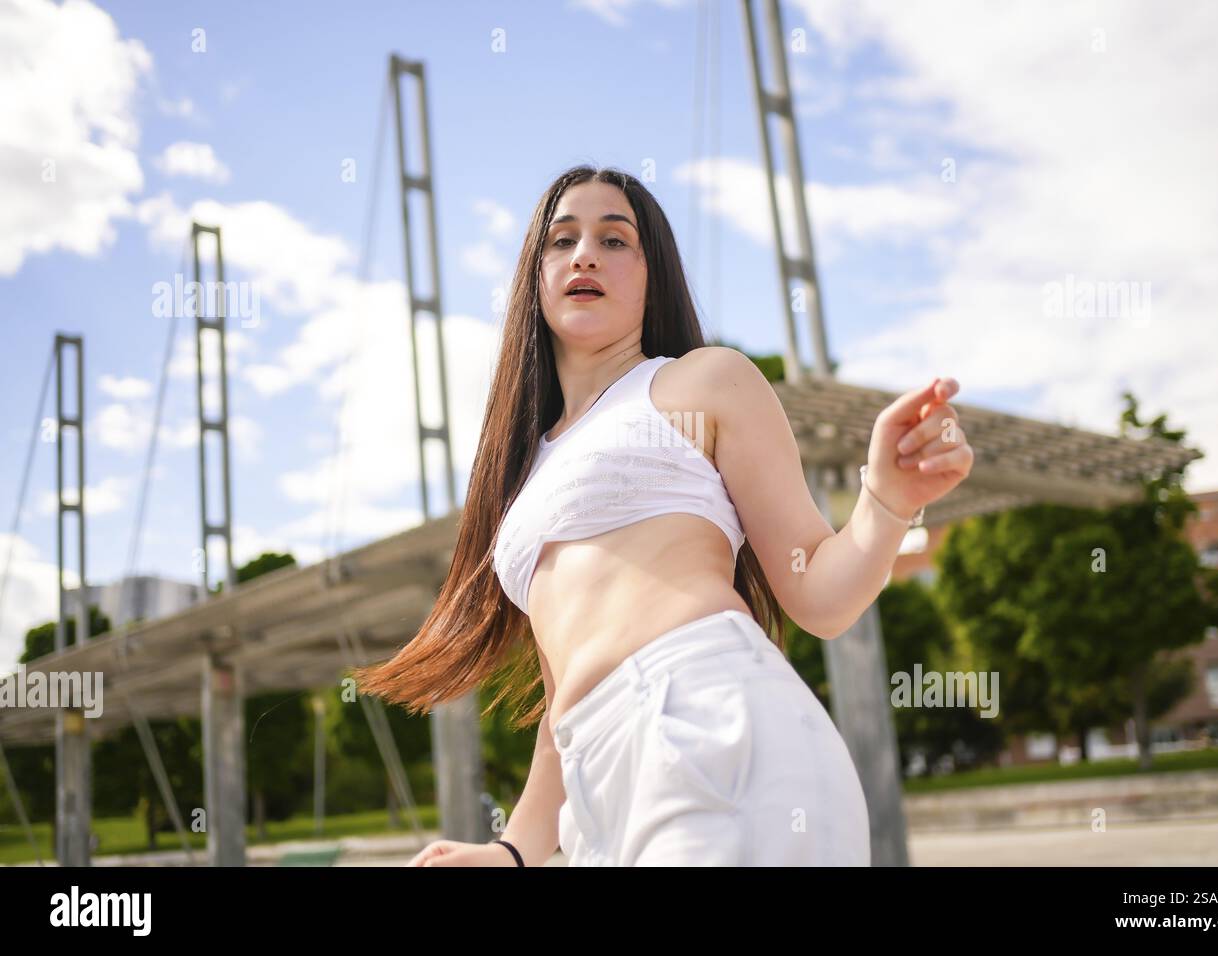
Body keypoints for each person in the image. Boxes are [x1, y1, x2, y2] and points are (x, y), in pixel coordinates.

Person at [353, 165, 974, 866]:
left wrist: (887, 499)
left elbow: (820, 594)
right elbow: (565, 703)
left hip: (710, 717)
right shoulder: (522, 475)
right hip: (598, 782)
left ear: (653, 276)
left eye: (615, 241)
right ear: (534, 275)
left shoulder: (702, 381)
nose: (584, 254)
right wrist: (515, 853)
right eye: (562, 241)